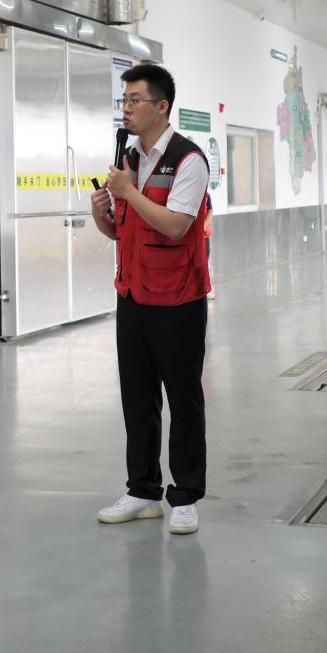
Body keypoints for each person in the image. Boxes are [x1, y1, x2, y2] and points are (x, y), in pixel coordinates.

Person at [90, 63, 211, 537]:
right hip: (133, 295)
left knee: (183, 400)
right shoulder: (128, 158)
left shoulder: (188, 159)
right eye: (123, 100)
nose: (126, 108)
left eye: (135, 100)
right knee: (137, 399)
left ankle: (185, 497)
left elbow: (177, 225)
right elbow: (124, 231)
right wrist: (102, 214)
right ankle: (142, 491)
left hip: (178, 299)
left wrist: (129, 192)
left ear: (161, 106)